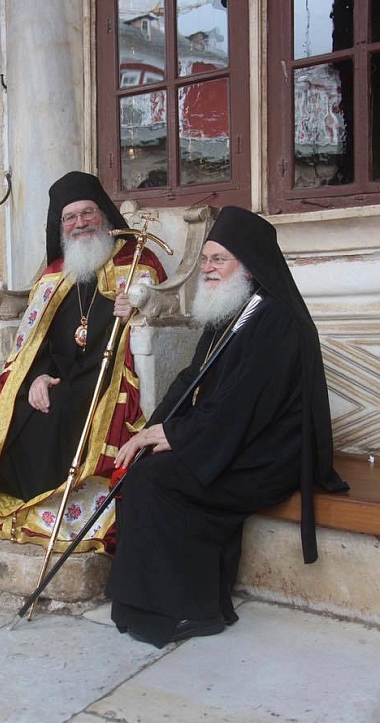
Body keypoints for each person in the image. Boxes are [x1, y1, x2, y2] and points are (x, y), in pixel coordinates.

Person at [105, 205, 349, 648]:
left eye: (219, 259)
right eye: (205, 259)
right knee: (145, 467)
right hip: (229, 438)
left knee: (161, 480)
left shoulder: (277, 319)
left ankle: (195, 609)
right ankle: (145, 602)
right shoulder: (233, 311)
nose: (207, 268)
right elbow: (190, 380)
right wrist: (151, 431)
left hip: (268, 454)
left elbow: (244, 404)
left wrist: (178, 437)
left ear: (250, 267)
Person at [0, 171, 167, 554]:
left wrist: (137, 305)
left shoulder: (135, 262)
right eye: (70, 217)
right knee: (16, 405)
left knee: (59, 412)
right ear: (61, 227)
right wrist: (38, 378)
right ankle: (7, 514)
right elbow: (34, 343)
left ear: (104, 214)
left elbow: (159, 304)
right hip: (59, 376)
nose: (80, 223)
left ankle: (54, 516)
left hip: (105, 376)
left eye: (87, 213)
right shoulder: (55, 275)